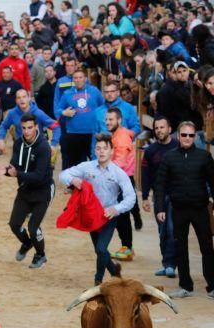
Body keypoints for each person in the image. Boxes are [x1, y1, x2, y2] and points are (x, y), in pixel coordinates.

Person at [60, 133, 136, 285]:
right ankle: (114, 270)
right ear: (95, 151)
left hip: (108, 216)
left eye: (105, 149)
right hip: (91, 215)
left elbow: (131, 197)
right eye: (98, 148)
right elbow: (63, 174)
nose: (101, 151)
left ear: (111, 151)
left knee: (101, 249)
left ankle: (98, 280)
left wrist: (116, 209)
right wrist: (72, 179)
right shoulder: (87, 167)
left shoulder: (118, 173)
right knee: (100, 250)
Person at [155, 121, 214, 299]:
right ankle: (185, 286)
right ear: (178, 136)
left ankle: (212, 286)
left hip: (200, 208)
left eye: (190, 135)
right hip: (178, 209)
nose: (187, 138)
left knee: (207, 247)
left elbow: (213, 181)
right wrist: (160, 208)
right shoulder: (169, 157)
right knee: (180, 247)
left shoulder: (204, 156)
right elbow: (160, 185)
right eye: (184, 135)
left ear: (195, 137)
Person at [0, 113, 55, 268]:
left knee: (33, 227)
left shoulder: (43, 147)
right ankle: (27, 243)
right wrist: (6, 170)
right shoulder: (18, 143)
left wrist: (17, 174)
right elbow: (14, 165)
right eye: (23, 128)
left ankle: (40, 255)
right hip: (25, 189)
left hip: (43, 190)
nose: (27, 131)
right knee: (14, 224)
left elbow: (38, 176)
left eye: (30, 127)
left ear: (36, 127)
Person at [141, 116, 178, 278]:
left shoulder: (178, 146)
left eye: (162, 127)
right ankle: (166, 263)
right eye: (156, 128)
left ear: (170, 129)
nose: (159, 131)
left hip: (176, 194)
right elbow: (145, 175)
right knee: (162, 230)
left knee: (171, 229)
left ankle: (171, 264)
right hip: (159, 195)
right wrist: (144, 197)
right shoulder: (150, 151)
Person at [104, 107, 138, 262]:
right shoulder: (117, 135)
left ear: (119, 120)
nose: (108, 122)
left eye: (111, 119)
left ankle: (127, 248)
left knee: (122, 216)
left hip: (123, 179)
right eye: (107, 119)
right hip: (120, 178)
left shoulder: (122, 137)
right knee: (122, 215)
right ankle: (126, 247)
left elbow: (121, 162)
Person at [58, 68, 104, 166]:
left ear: (85, 79)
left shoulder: (94, 91)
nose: (78, 80)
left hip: (92, 133)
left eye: (80, 77)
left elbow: (103, 106)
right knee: (76, 164)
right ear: (73, 80)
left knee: (95, 162)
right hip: (74, 133)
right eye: (75, 78)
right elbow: (58, 109)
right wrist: (64, 112)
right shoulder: (67, 94)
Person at [0, 88, 61, 154]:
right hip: (21, 148)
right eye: (19, 98)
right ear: (16, 100)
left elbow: (56, 126)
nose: (21, 99)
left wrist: (53, 144)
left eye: (24, 97)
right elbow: (3, 126)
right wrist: (1, 139)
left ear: (29, 98)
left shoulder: (38, 113)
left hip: (37, 148)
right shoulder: (12, 113)